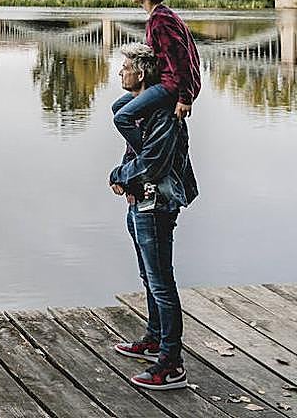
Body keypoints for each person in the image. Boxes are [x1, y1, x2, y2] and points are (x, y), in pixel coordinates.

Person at [109, 43, 199, 391]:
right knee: (149, 277)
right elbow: (140, 154)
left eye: (125, 67)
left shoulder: (162, 114)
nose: (120, 73)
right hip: (140, 203)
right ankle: (154, 339)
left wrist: (118, 176)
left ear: (142, 73)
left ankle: (172, 363)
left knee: (162, 282)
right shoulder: (141, 112)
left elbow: (153, 163)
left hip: (157, 205)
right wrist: (128, 178)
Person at [112, 0, 200, 150]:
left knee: (122, 117)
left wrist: (185, 98)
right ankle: (143, 149)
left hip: (171, 87)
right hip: (165, 83)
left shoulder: (161, 20)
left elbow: (181, 60)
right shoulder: (160, 16)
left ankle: (148, 156)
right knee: (118, 106)